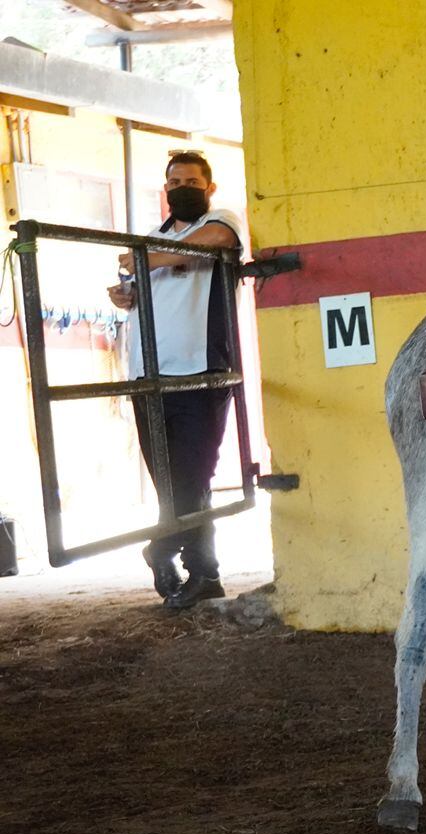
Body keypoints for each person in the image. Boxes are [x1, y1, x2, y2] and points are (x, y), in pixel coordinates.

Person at [106, 151, 244, 610]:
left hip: (201, 371)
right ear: (164, 190)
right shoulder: (150, 239)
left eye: (191, 180)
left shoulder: (221, 220)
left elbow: (218, 239)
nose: (183, 187)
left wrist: (147, 260)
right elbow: (137, 290)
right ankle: (202, 571)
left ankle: (164, 549)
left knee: (195, 471)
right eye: (175, 181)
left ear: (209, 186)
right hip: (148, 376)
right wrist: (126, 293)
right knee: (170, 479)